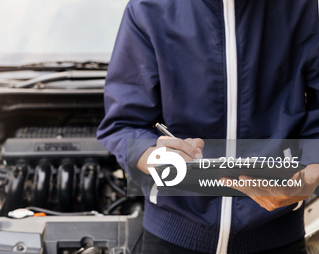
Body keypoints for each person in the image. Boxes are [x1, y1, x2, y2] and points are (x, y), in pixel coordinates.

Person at [97, 0, 319, 253]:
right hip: (171, 238)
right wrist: (153, 155)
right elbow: (123, 124)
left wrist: (312, 171)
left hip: (280, 236)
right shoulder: (147, 8)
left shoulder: (307, 8)